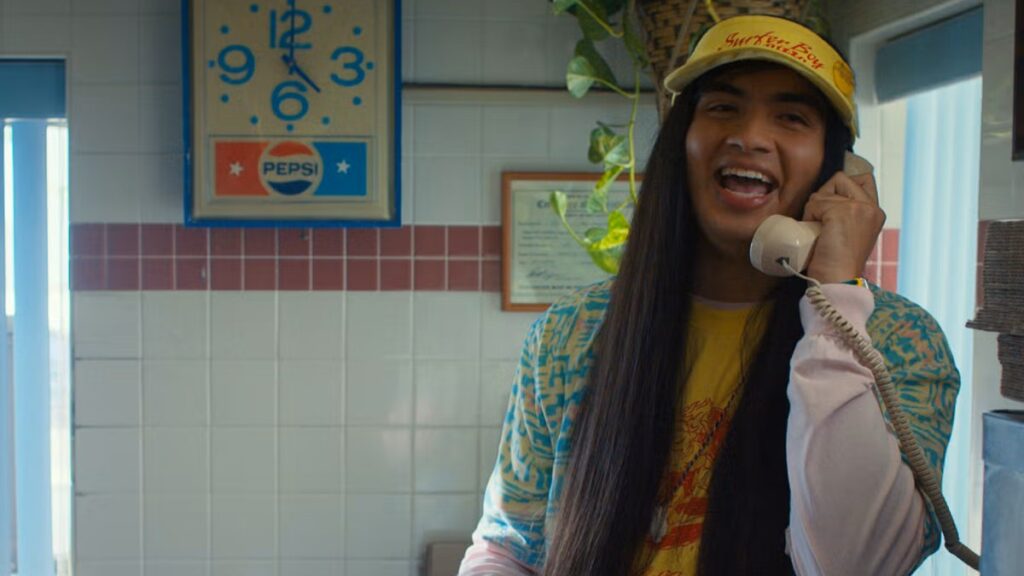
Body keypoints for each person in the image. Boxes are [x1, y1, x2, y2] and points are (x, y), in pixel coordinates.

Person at [459, 14, 959, 576]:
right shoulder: (570, 333)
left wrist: (835, 299)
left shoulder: (901, 343)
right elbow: (507, 547)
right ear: (682, 143)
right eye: (723, 107)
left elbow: (854, 565)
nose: (749, 135)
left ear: (837, 169)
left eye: (791, 117)